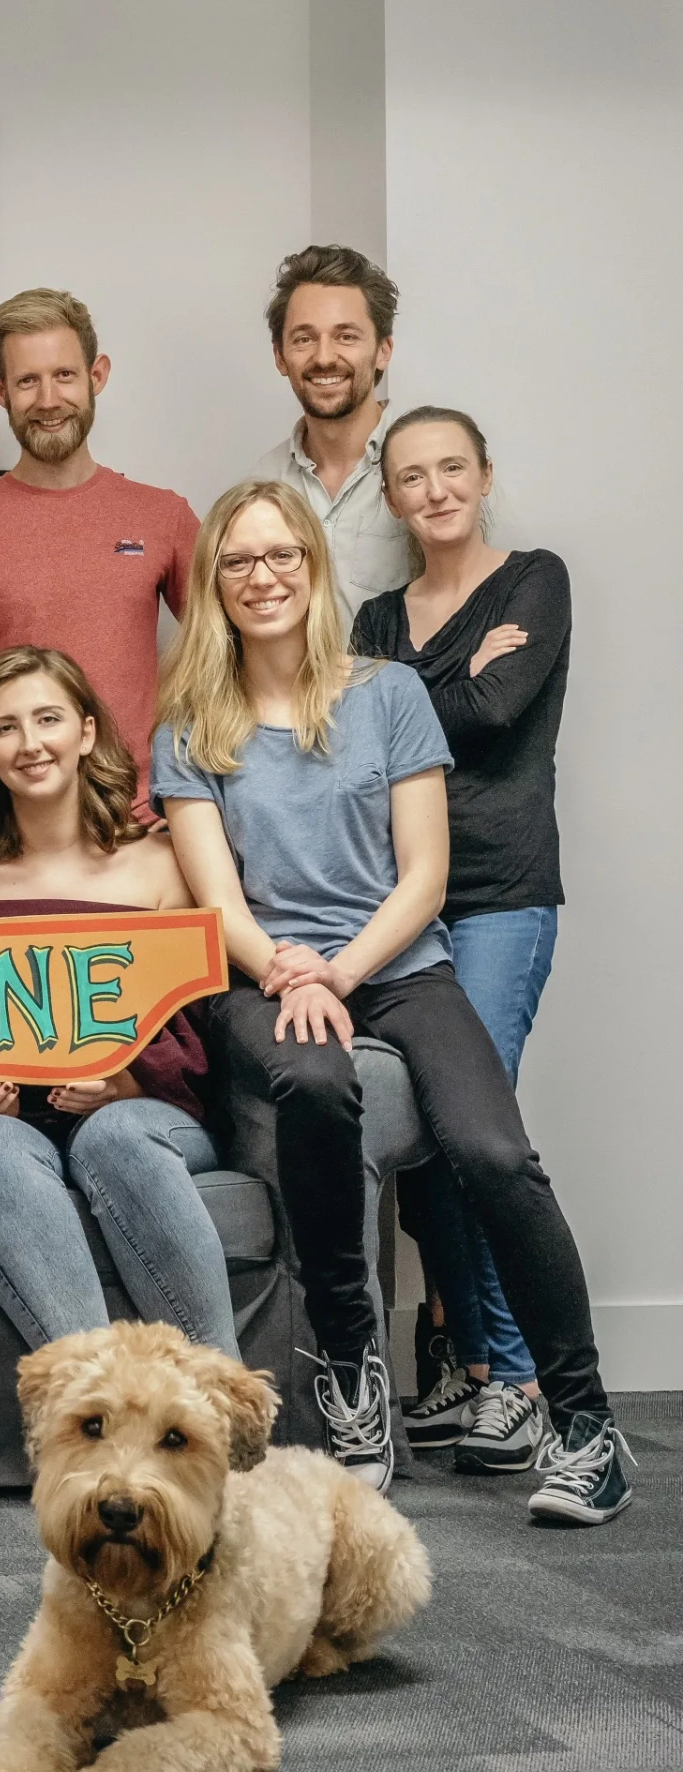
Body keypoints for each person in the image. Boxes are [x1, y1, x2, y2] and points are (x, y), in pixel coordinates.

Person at [152, 478, 631, 1523]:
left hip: (399, 965)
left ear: (315, 570)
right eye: (239, 562)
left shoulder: (388, 694)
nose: (263, 577)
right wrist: (287, 968)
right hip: (262, 975)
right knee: (317, 1085)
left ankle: (587, 1425)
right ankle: (354, 1372)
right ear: (213, 585)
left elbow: (423, 876)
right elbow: (214, 896)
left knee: (495, 1153)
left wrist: (342, 971)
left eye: (283, 556)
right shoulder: (191, 722)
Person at [0, 647, 239, 1357]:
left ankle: (218, 1392)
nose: (30, 745)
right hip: (4, 1128)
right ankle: (96, 1405)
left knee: (113, 1136)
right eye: (5, 728)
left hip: (143, 1116)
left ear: (85, 733)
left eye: (48, 719)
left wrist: (123, 1081)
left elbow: (202, 1031)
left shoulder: (159, 864)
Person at [355, 408, 571, 1473]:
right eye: (411, 475)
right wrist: (449, 680)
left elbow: (489, 714)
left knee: (480, 1131)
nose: (434, 489)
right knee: (423, 1134)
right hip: (397, 896)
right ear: (389, 496)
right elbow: (357, 732)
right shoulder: (373, 613)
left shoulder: (536, 579)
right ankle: (471, 1365)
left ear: (484, 475)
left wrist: (419, 688)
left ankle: (524, 1374)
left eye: (452, 469)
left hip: (498, 891)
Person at [0, 288, 198, 836]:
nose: (48, 399)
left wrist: (194, 807)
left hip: (139, 829)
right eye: (26, 381)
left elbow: (230, 654)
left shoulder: (165, 516)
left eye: (64, 375)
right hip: (11, 831)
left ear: (98, 375)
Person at [249, 245, 408, 631]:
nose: (323, 357)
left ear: (383, 350)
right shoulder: (262, 483)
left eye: (346, 336)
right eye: (304, 339)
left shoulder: (425, 469)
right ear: (280, 356)